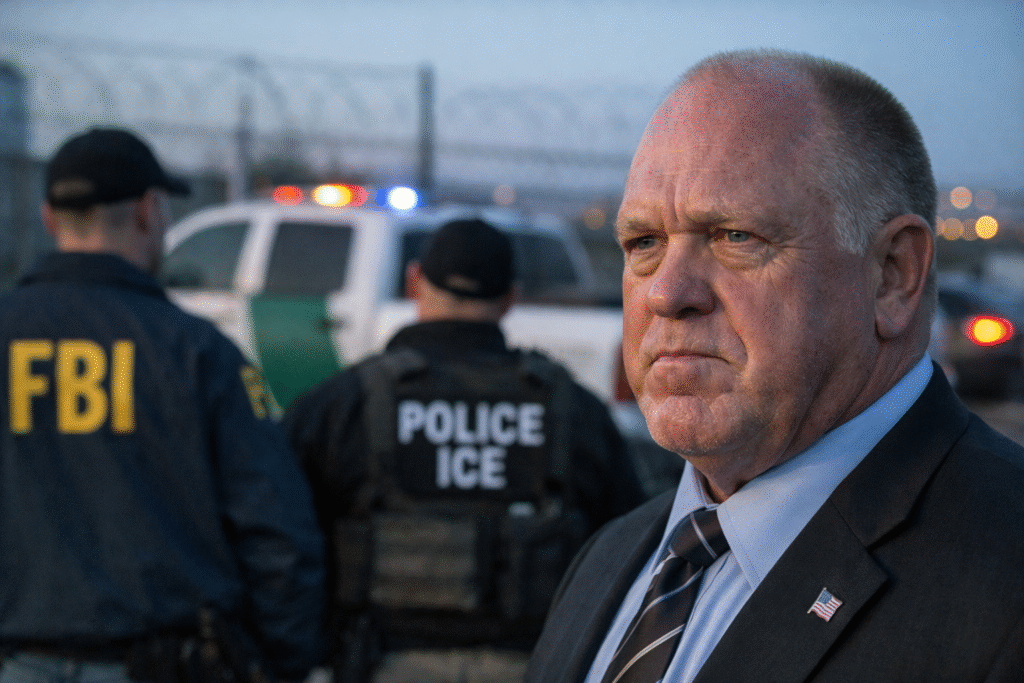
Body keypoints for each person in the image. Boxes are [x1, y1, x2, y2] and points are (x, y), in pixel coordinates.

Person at [525, 49, 1024, 683]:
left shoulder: (1004, 586)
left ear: (893, 277)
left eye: (736, 236)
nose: (666, 293)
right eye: (643, 243)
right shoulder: (610, 557)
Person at [0, 127, 327, 683]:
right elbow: (277, 533)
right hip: (163, 663)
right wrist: (283, 662)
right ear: (150, 213)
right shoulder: (199, 354)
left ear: (50, 219)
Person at [284, 218, 646, 683]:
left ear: (415, 282)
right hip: (532, 663)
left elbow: (282, 536)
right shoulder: (573, 410)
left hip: (381, 661)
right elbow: (627, 544)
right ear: (511, 298)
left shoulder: (342, 403)